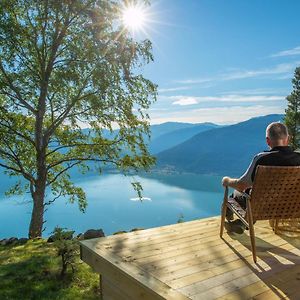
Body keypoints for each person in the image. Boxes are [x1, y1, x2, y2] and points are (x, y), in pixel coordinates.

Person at [222, 122, 300, 234]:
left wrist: (226, 180)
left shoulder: (262, 159)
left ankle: (238, 221)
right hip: (289, 207)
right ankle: (240, 223)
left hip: (262, 208)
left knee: (235, 193)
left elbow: (241, 185)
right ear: (288, 138)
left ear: (268, 141)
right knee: (254, 196)